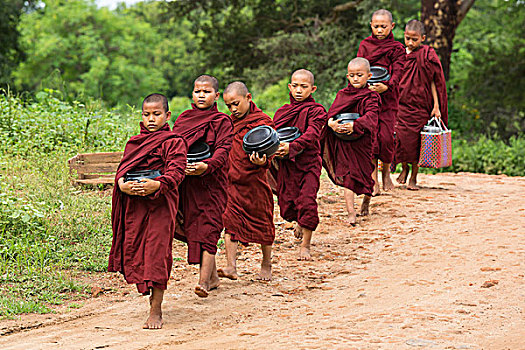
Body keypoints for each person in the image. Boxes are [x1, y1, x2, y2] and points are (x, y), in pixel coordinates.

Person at [108, 93, 187, 329]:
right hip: (136, 204)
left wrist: (158, 184)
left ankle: (156, 309)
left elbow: (177, 172)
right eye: (146, 114)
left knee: (157, 253)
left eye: (156, 114)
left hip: (161, 203)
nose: (151, 119)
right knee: (138, 249)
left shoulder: (174, 141)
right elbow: (123, 170)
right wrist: (122, 184)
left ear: (167, 115)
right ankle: (147, 292)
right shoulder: (135, 142)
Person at [172, 75, 233, 298]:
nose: (201, 95)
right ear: (192, 93)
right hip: (188, 185)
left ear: (216, 96)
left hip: (212, 183)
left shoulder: (222, 121)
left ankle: (203, 283)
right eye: (197, 91)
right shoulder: (184, 119)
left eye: (206, 92)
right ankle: (213, 278)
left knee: (209, 228)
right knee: (195, 228)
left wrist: (206, 166)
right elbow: (173, 146)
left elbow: (223, 149)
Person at [219, 81, 275, 281]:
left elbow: (271, 149)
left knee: (263, 223)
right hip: (232, 181)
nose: (233, 109)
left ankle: (266, 262)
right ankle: (231, 266)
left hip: (255, 182)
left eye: (236, 104)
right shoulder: (228, 123)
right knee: (230, 221)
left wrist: (263, 160)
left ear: (248, 98)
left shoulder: (262, 121)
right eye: (229, 106)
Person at [270, 69, 327, 261]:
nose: (299, 90)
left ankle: (305, 246)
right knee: (287, 204)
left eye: (304, 87)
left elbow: (312, 134)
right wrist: (276, 150)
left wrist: (293, 147)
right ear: (289, 87)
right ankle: (299, 221)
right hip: (288, 165)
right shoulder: (282, 112)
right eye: (295, 86)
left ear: (313, 89)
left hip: (309, 163)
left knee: (307, 201)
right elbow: (274, 135)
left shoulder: (317, 111)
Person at [323, 58, 381, 224]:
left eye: (359, 75)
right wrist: (331, 124)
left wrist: (356, 125)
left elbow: (372, 117)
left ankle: (366, 202)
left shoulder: (372, 97)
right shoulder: (343, 95)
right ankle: (351, 213)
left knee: (365, 175)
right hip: (344, 142)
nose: (355, 79)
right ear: (347, 76)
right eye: (352, 75)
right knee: (348, 177)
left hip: (362, 142)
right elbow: (331, 114)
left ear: (369, 76)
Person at [357, 8, 406, 198]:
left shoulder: (397, 48)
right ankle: (374, 179)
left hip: (388, 97)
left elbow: (399, 70)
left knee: (386, 137)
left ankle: (386, 172)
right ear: (371, 25)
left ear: (391, 26)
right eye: (376, 26)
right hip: (368, 98)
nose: (379, 30)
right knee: (371, 138)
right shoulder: (365, 45)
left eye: (383, 26)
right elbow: (359, 67)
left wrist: (388, 86)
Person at [395, 19, 448, 190]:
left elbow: (434, 82)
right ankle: (404, 168)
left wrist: (436, 106)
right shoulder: (398, 53)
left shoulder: (427, 55)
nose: (410, 42)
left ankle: (413, 177)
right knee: (402, 140)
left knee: (418, 142)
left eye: (414, 39)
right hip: (401, 104)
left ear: (423, 38)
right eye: (408, 38)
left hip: (421, 105)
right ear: (404, 35)